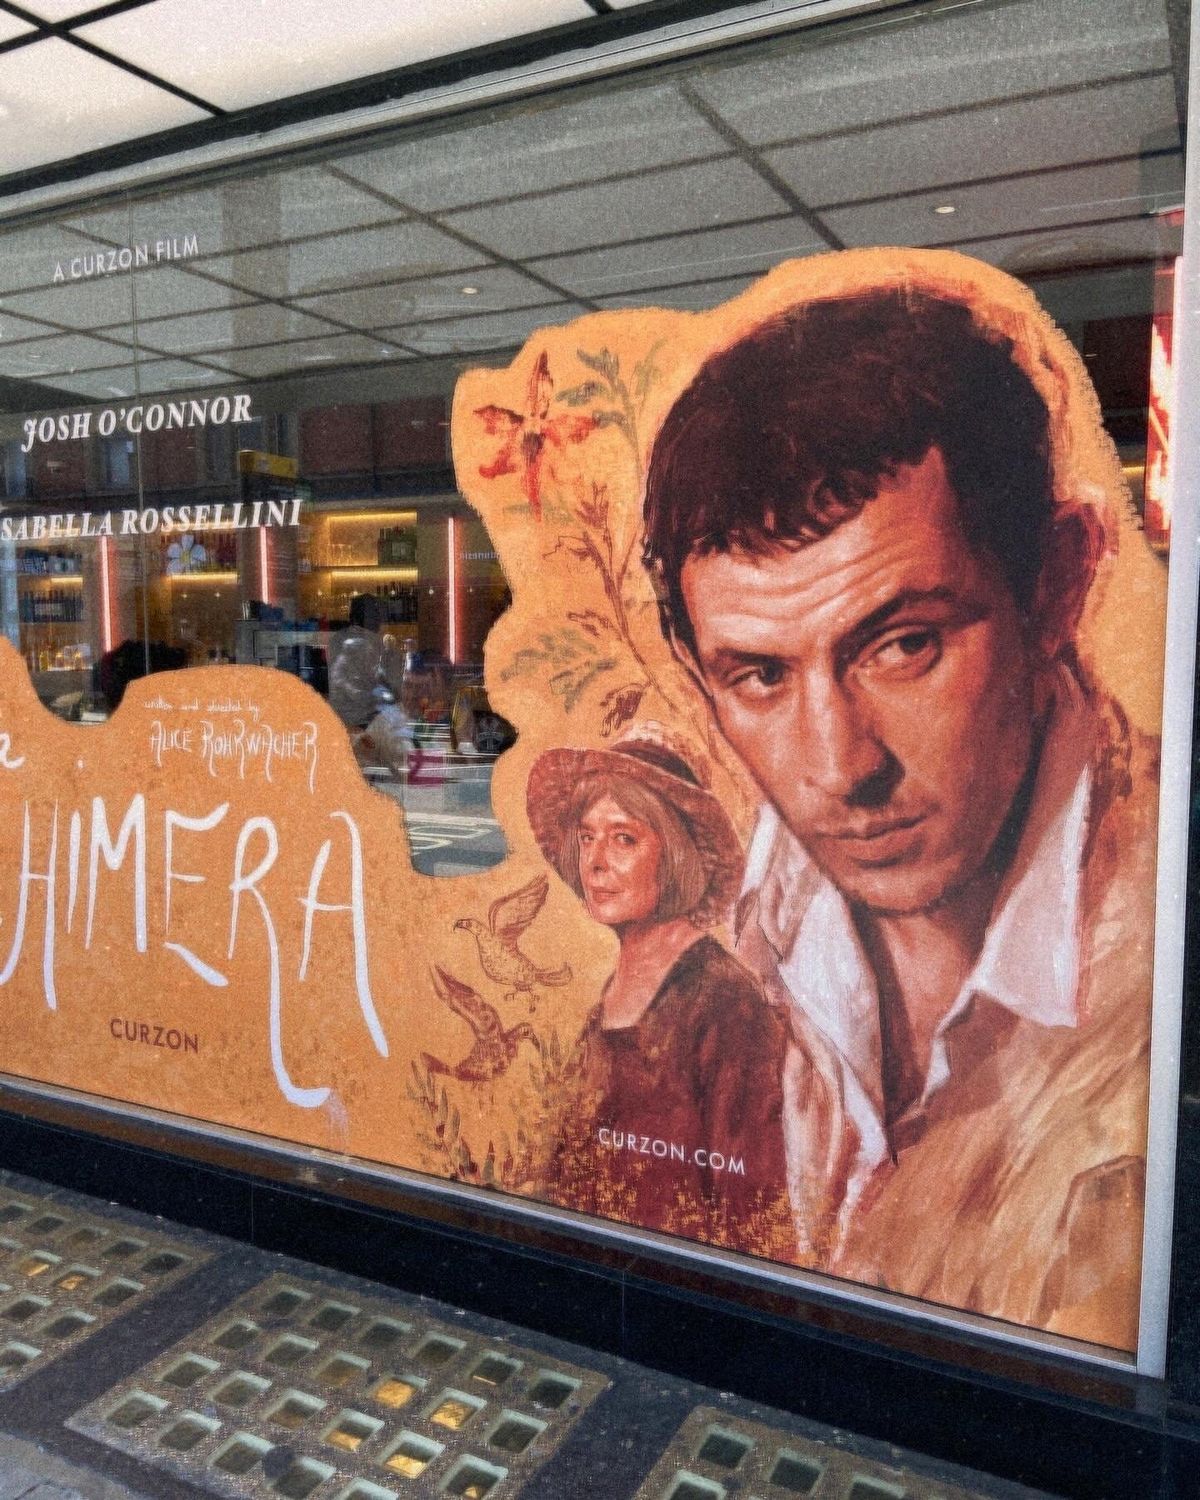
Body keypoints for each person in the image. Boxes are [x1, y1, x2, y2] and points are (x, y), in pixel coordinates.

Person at [640, 276, 1156, 1348]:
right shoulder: (742, 932)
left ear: (1057, 585)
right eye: (759, 678)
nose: (838, 767)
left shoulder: (1161, 961)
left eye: (903, 644)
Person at [525, 724, 791, 1257]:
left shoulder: (725, 1004)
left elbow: (753, 1213)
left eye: (624, 837)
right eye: (586, 837)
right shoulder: (610, 996)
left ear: (673, 856)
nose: (596, 860)